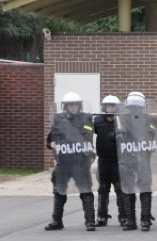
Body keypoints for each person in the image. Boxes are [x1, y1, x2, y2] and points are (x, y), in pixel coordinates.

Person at [45, 92, 97, 231]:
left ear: (79, 105)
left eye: (75, 104)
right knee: (59, 191)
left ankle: (90, 221)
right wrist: (52, 144)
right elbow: (50, 139)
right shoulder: (58, 119)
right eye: (70, 105)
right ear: (65, 106)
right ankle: (57, 221)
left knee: (85, 191)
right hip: (64, 161)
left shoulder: (86, 118)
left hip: (81, 161)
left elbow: (87, 136)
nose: (73, 107)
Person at [117, 91, 157, 231]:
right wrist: (120, 133)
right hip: (128, 158)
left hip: (143, 158)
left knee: (145, 188)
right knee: (129, 190)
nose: (135, 109)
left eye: (137, 107)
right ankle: (131, 220)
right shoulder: (122, 119)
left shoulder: (149, 119)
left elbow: (154, 138)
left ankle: (145, 219)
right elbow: (115, 138)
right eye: (133, 107)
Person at [93, 95, 126, 227]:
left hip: (119, 160)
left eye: (113, 106)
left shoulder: (122, 121)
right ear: (104, 107)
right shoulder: (97, 121)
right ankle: (101, 216)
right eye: (108, 106)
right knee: (102, 188)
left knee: (120, 188)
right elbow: (87, 132)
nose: (110, 108)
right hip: (103, 160)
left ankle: (123, 216)